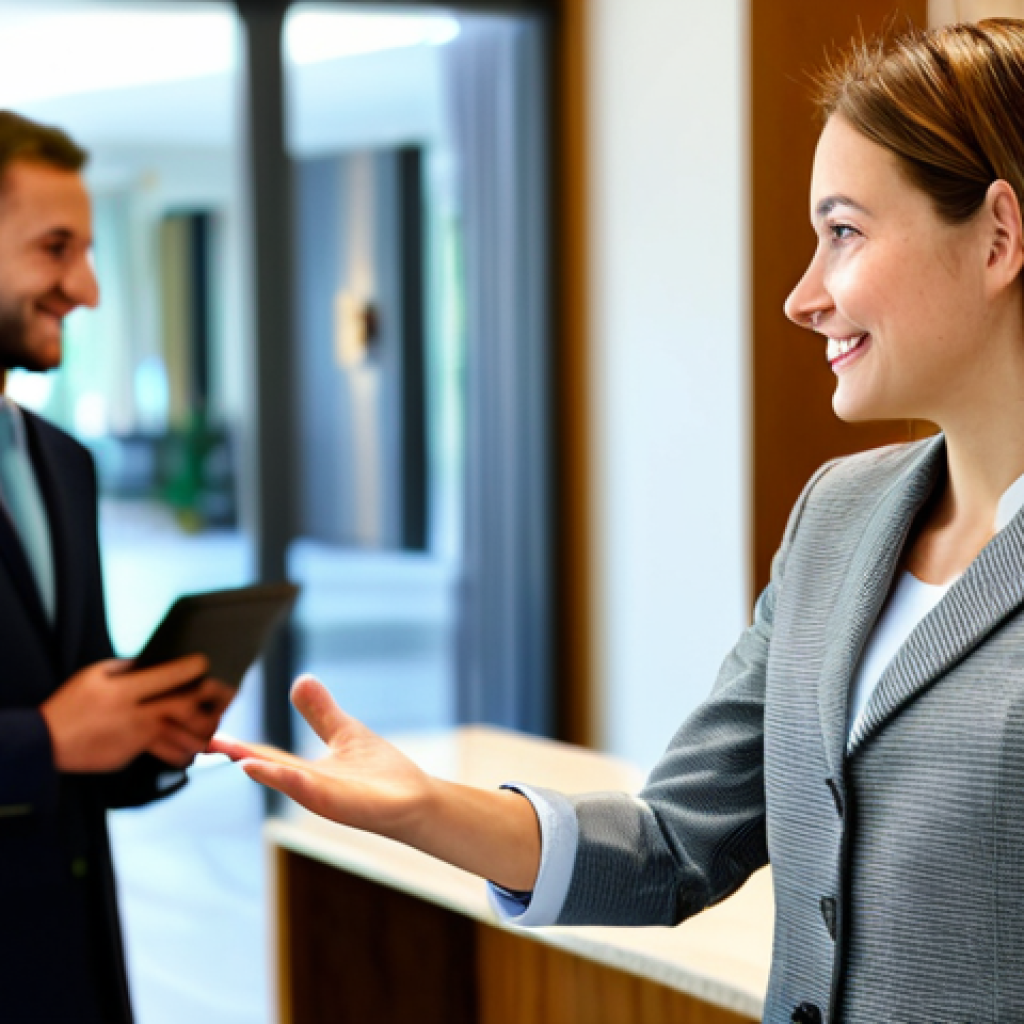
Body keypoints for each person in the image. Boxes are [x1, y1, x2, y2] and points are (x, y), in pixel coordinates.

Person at [213, 18, 1024, 1023]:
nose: (801, 296)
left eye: (844, 233)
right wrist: (428, 808)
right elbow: (676, 841)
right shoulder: (837, 516)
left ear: (997, 236)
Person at [0, 111, 235, 1024]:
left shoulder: (65, 464)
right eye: (57, 249)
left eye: (90, 252)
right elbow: (55, 731)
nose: (86, 287)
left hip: (76, 974)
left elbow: (78, 709)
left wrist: (146, 733)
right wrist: (48, 740)